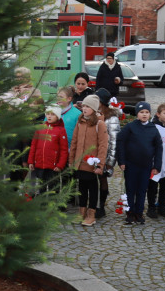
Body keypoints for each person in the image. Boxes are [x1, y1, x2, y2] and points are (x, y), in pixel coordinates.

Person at [116, 101, 163, 226]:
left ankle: (139, 212)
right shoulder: (131, 127)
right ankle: (130, 212)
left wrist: (157, 166)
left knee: (142, 190)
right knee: (131, 190)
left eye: (147, 112)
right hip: (131, 164)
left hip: (146, 165)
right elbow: (120, 140)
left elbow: (159, 147)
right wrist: (122, 160)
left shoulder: (153, 129)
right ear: (137, 114)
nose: (144, 114)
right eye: (141, 112)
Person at [69, 95, 107, 227]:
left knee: (93, 188)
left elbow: (103, 146)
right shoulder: (80, 122)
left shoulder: (99, 124)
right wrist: (72, 160)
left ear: (94, 109)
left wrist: (100, 164)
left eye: (88, 107)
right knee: (82, 188)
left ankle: (91, 214)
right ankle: (81, 212)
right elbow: (74, 142)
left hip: (92, 163)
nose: (84, 109)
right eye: (83, 106)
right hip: (80, 162)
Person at [27, 105, 68, 196]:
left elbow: (64, 150)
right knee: (41, 187)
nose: (49, 116)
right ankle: (42, 206)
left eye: (52, 114)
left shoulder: (61, 130)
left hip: (53, 166)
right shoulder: (40, 128)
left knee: (53, 187)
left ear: (57, 116)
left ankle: (52, 205)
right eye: (48, 114)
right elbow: (33, 145)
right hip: (40, 164)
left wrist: (60, 165)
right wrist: (31, 161)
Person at [93, 88, 121, 218]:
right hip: (93, 153)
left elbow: (114, 141)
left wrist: (110, 162)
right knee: (93, 180)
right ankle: (93, 204)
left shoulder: (112, 118)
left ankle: (101, 206)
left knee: (102, 179)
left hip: (105, 154)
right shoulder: (93, 114)